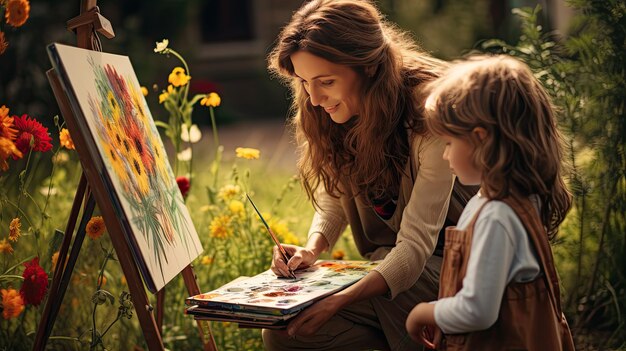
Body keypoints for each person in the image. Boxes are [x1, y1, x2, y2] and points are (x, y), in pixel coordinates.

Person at [263, 0, 475, 350]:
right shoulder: (330, 108)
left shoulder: (429, 112)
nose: (314, 98)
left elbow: (415, 247)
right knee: (286, 332)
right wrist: (312, 248)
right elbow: (336, 195)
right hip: (394, 264)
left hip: (460, 269)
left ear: (370, 68)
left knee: (352, 301)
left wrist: (338, 300)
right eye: (303, 82)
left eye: (326, 81)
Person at [405, 55, 575, 349]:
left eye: (449, 143)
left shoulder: (497, 216)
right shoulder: (510, 200)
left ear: (481, 140)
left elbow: (477, 310)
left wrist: (424, 312)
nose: (445, 155)